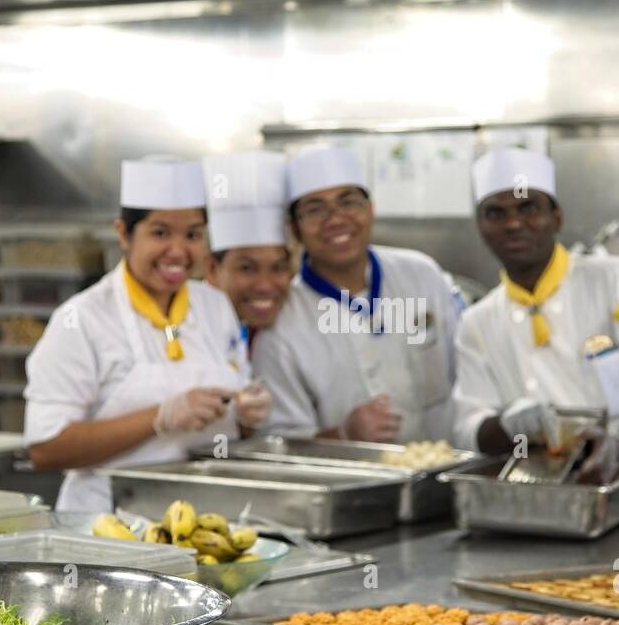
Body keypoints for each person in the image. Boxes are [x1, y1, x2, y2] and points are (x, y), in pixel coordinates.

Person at [452, 147, 619, 496]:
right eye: (495, 213)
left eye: (527, 208)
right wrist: (508, 426)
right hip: (560, 506)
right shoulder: (477, 322)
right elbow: (468, 426)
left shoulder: (618, 279)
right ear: (481, 226)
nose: (513, 224)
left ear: (556, 217)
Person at [24, 158, 271, 511]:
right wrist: (159, 418)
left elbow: (234, 426)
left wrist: (246, 416)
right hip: (107, 527)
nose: (178, 251)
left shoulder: (215, 307)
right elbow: (46, 450)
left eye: (193, 235)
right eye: (160, 232)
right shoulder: (82, 320)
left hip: (207, 517)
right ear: (124, 234)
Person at [252, 146, 459, 442]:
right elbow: (277, 445)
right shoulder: (282, 326)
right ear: (294, 230)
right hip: (349, 486)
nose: (335, 220)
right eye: (315, 210)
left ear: (370, 209)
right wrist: (343, 434)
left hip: (446, 473)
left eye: (348, 202)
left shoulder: (421, 275)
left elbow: (465, 376)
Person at [201, 150, 293, 352]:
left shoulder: (301, 320)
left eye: (278, 268)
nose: (265, 285)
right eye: (247, 268)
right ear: (211, 269)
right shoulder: (188, 331)